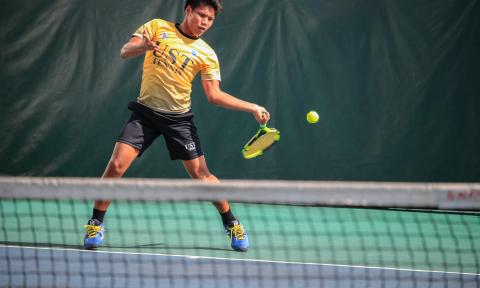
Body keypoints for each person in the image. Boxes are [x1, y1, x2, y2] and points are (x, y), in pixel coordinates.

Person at [83, 0, 270, 252]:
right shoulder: (157, 27)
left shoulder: (207, 54)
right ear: (188, 10)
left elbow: (214, 95)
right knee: (116, 165)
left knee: (202, 176)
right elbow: (124, 51)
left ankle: (232, 223)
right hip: (145, 114)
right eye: (201, 15)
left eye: (210, 19)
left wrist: (252, 107)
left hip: (179, 120)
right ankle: (96, 222)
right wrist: (143, 46)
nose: (205, 22)